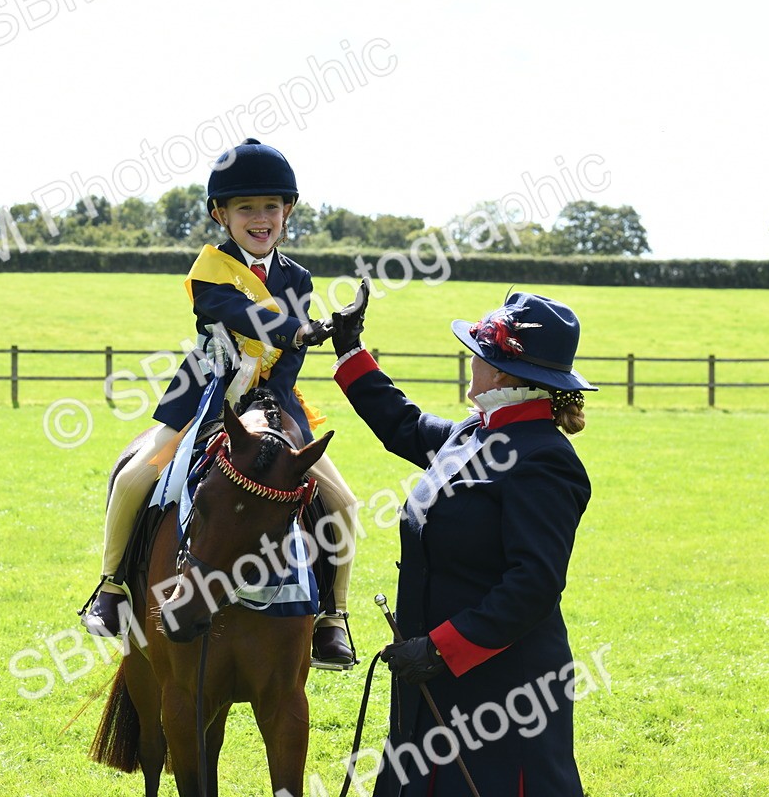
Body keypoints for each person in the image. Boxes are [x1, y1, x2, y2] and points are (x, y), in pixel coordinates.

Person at [84, 139, 361, 667]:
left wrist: (282, 395)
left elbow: (288, 362)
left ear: (288, 211)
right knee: (136, 474)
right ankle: (113, 586)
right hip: (206, 392)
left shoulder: (297, 279)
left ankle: (333, 617)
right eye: (245, 209)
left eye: (271, 208)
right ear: (221, 215)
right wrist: (300, 330)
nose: (260, 219)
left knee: (344, 503)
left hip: (276, 399)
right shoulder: (210, 268)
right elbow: (238, 314)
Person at [330, 285, 595, 794]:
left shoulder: (545, 459)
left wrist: (440, 649)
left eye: (478, 353)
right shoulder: (475, 432)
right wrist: (350, 354)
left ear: (500, 372)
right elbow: (404, 425)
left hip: (502, 692)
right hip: (431, 681)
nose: (470, 360)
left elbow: (533, 585)